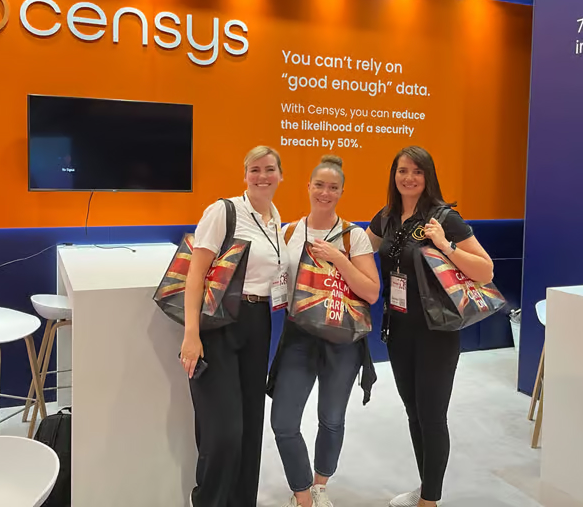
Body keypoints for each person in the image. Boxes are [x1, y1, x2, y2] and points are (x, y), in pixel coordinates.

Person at [366, 146, 494, 507]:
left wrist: (445, 245)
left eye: (417, 171)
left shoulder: (444, 218)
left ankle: (429, 501)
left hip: (437, 331)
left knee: (432, 415)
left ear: (428, 176)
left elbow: (485, 270)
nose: (409, 178)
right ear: (394, 175)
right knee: (414, 413)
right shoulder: (386, 218)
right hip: (398, 329)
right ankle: (426, 491)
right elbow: (356, 252)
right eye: (402, 171)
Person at [180, 146, 290, 507]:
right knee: (223, 433)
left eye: (269, 169)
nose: (262, 176)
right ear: (244, 175)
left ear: (280, 175)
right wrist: (191, 335)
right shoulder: (224, 211)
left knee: (250, 427)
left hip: (258, 323)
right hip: (218, 323)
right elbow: (195, 275)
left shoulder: (275, 220)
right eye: (254, 169)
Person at [268, 155, 381, 507]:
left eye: (333, 187)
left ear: (342, 192)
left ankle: (320, 486)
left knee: (331, 419)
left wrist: (340, 259)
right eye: (319, 185)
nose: (325, 193)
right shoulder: (288, 232)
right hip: (298, 335)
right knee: (283, 421)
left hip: (342, 337)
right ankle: (302, 495)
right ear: (308, 186)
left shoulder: (354, 236)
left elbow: (372, 292)